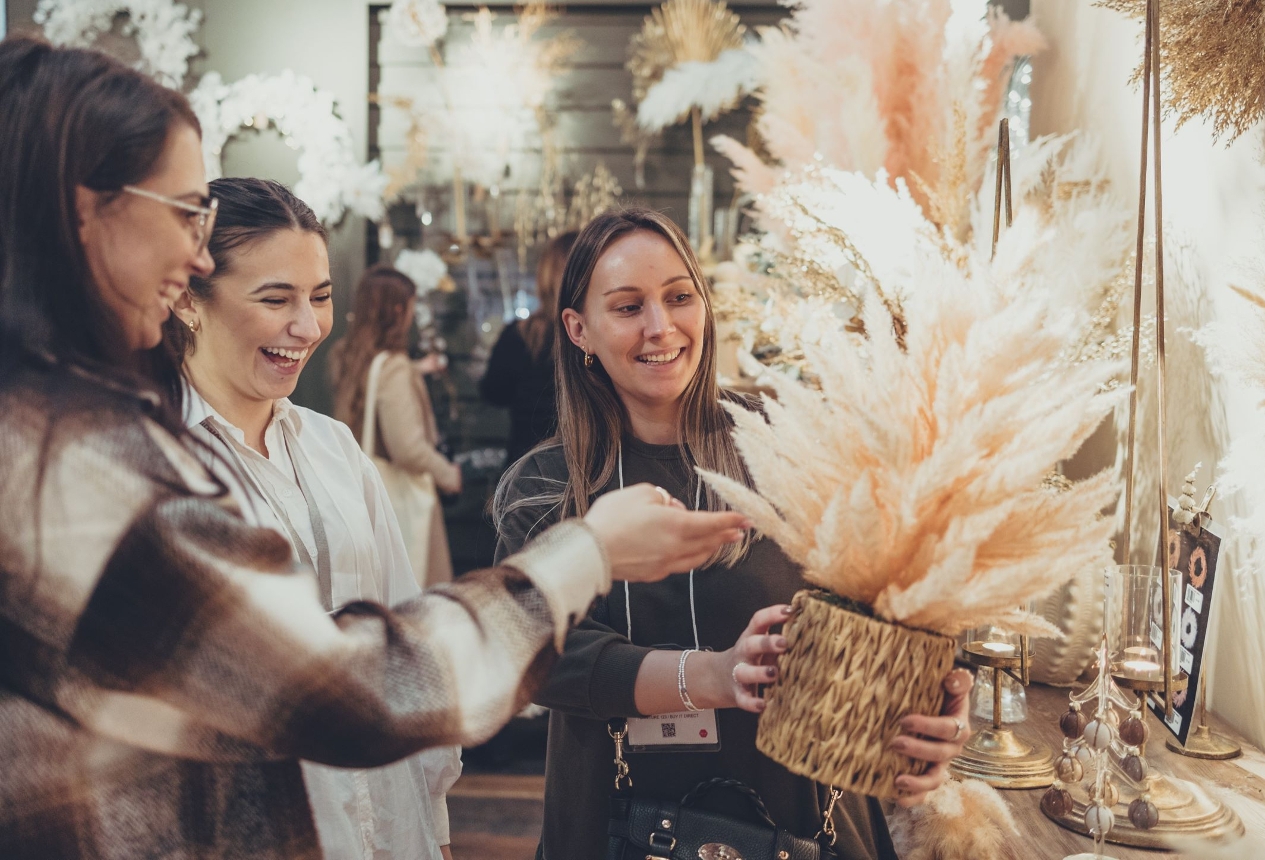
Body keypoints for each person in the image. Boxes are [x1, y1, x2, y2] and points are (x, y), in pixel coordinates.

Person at [0, 37, 752, 860]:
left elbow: (389, 654)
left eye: (320, 297)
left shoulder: (302, 447)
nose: (194, 251)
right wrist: (590, 552)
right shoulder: (66, 462)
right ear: (86, 210)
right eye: (185, 213)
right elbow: (348, 689)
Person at [493, 209, 975, 860]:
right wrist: (713, 676)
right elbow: (538, 661)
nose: (661, 327)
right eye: (629, 306)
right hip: (614, 826)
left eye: (679, 297)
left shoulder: (793, 444)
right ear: (580, 329)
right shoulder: (544, 489)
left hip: (803, 823)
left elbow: (890, 597)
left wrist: (930, 702)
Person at [164, 178, 461, 860]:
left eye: (321, 297)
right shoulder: (152, 458)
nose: (307, 327)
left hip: (384, 823)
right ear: (188, 298)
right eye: (276, 299)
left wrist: (434, 828)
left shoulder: (334, 446)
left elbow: (406, 641)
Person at [330, 263, 460, 587]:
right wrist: (447, 474)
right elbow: (407, 448)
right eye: (412, 308)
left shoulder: (344, 356)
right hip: (394, 497)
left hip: (353, 492)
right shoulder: (395, 368)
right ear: (399, 310)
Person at [481, 230, 577, 468]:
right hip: (586, 463)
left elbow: (494, 391)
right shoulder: (601, 335)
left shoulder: (520, 334)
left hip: (526, 463)